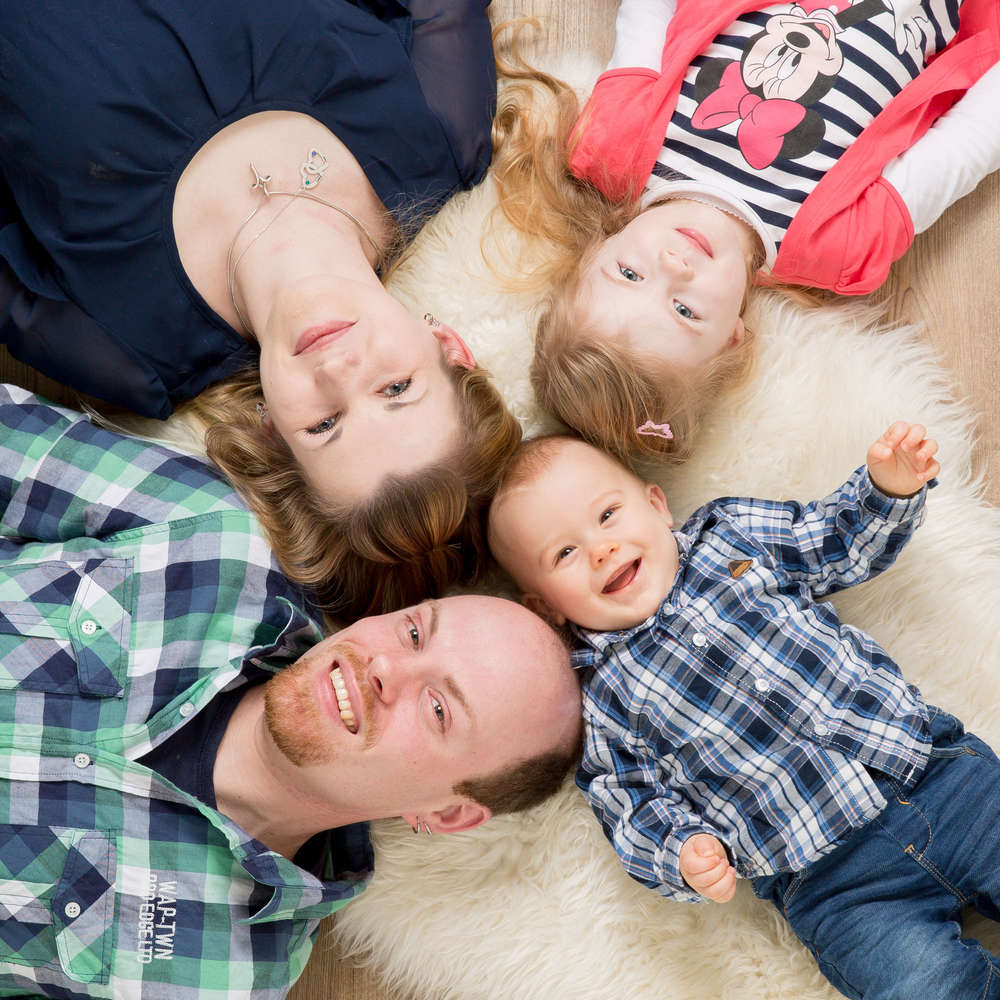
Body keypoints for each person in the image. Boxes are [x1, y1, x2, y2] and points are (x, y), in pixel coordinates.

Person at [0, 383, 582, 999]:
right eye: (414, 632)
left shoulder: (224, 978)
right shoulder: (214, 539)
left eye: (437, 708)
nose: (386, 667)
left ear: (446, 814)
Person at [0, 0, 522, 619]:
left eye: (323, 426)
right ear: (448, 346)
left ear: (271, 429)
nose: (338, 370)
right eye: (396, 387)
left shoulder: (127, 353)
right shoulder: (439, 133)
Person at [486, 428, 1000, 999]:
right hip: (834, 884)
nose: (600, 549)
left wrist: (886, 490)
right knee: (926, 985)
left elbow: (829, 539)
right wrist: (682, 853)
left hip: (935, 774)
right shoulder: (601, 701)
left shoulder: (732, 536)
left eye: (608, 515)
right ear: (545, 607)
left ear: (656, 505)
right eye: (564, 553)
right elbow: (629, 803)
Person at [490, 0, 1000, 465]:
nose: (673, 266)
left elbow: (649, 14)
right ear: (732, 337)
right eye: (685, 311)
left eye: (629, 273)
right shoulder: (836, 247)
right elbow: (965, 146)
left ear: (595, 250)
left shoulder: (615, 144)